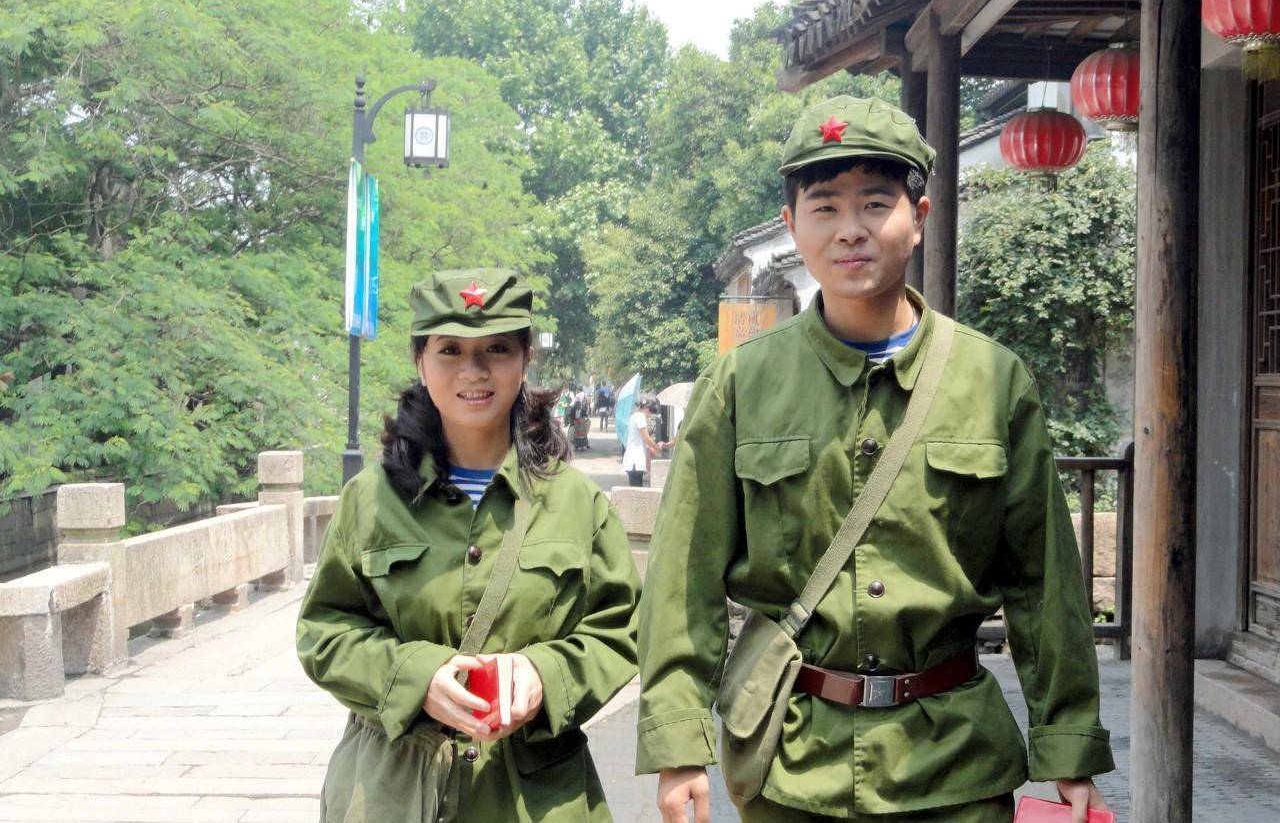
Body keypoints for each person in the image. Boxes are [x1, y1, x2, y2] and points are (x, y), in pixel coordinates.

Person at [635, 96, 1114, 823]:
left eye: (875, 203)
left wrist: (1069, 747)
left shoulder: (990, 380)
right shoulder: (741, 384)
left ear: (919, 216)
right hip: (792, 765)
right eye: (824, 207)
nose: (850, 229)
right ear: (793, 226)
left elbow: (1043, 582)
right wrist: (678, 746)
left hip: (954, 763)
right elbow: (684, 576)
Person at [297, 268, 641, 822]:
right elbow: (325, 630)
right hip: (396, 793)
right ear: (419, 361)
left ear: (526, 358)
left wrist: (546, 676)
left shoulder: (577, 503)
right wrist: (414, 678)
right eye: (451, 349)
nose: (474, 371)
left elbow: (621, 629)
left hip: (538, 800)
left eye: (497, 349)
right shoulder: (372, 500)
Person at [621, 399, 662, 487]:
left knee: (635, 488)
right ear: (647, 410)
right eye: (650, 413)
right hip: (635, 460)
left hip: (633, 460)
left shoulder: (633, 416)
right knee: (636, 490)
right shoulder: (640, 416)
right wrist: (656, 447)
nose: (649, 416)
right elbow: (646, 438)